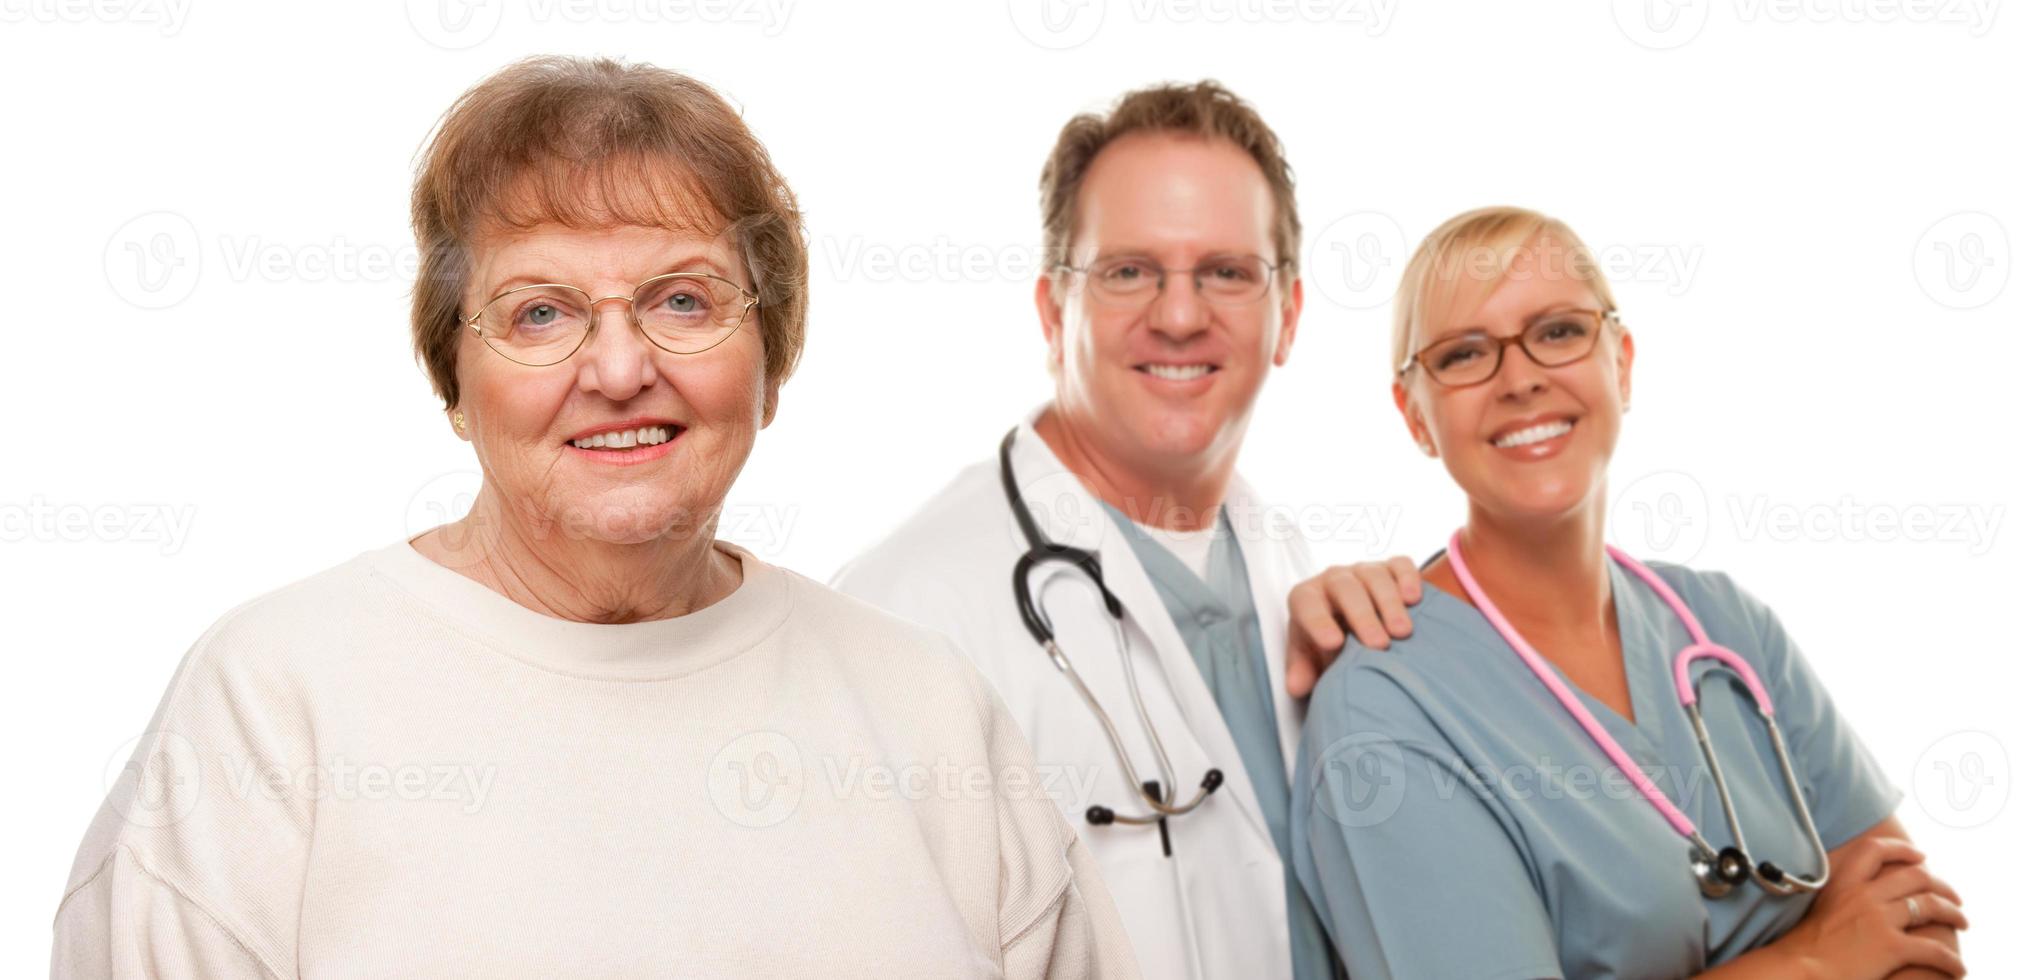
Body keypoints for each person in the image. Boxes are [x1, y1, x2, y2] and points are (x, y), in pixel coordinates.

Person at [51, 55, 1139, 979]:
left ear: (774, 357)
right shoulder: (270, 706)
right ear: (453, 376)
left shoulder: (929, 707)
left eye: (682, 300)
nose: (620, 369)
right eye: (540, 312)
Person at [833, 81, 1418, 980]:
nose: (1179, 316)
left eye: (1226, 271)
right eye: (1128, 270)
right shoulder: (904, 614)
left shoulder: (1291, 569)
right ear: (1051, 311)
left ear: (1288, 316)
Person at [1291, 205, 1968, 979]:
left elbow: (1919, 926)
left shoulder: (1725, 627)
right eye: (1464, 353)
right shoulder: (1384, 708)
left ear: (1622, 363)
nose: (1521, 378)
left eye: (1557, 331)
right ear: (1415, 415)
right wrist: (1818, 957)